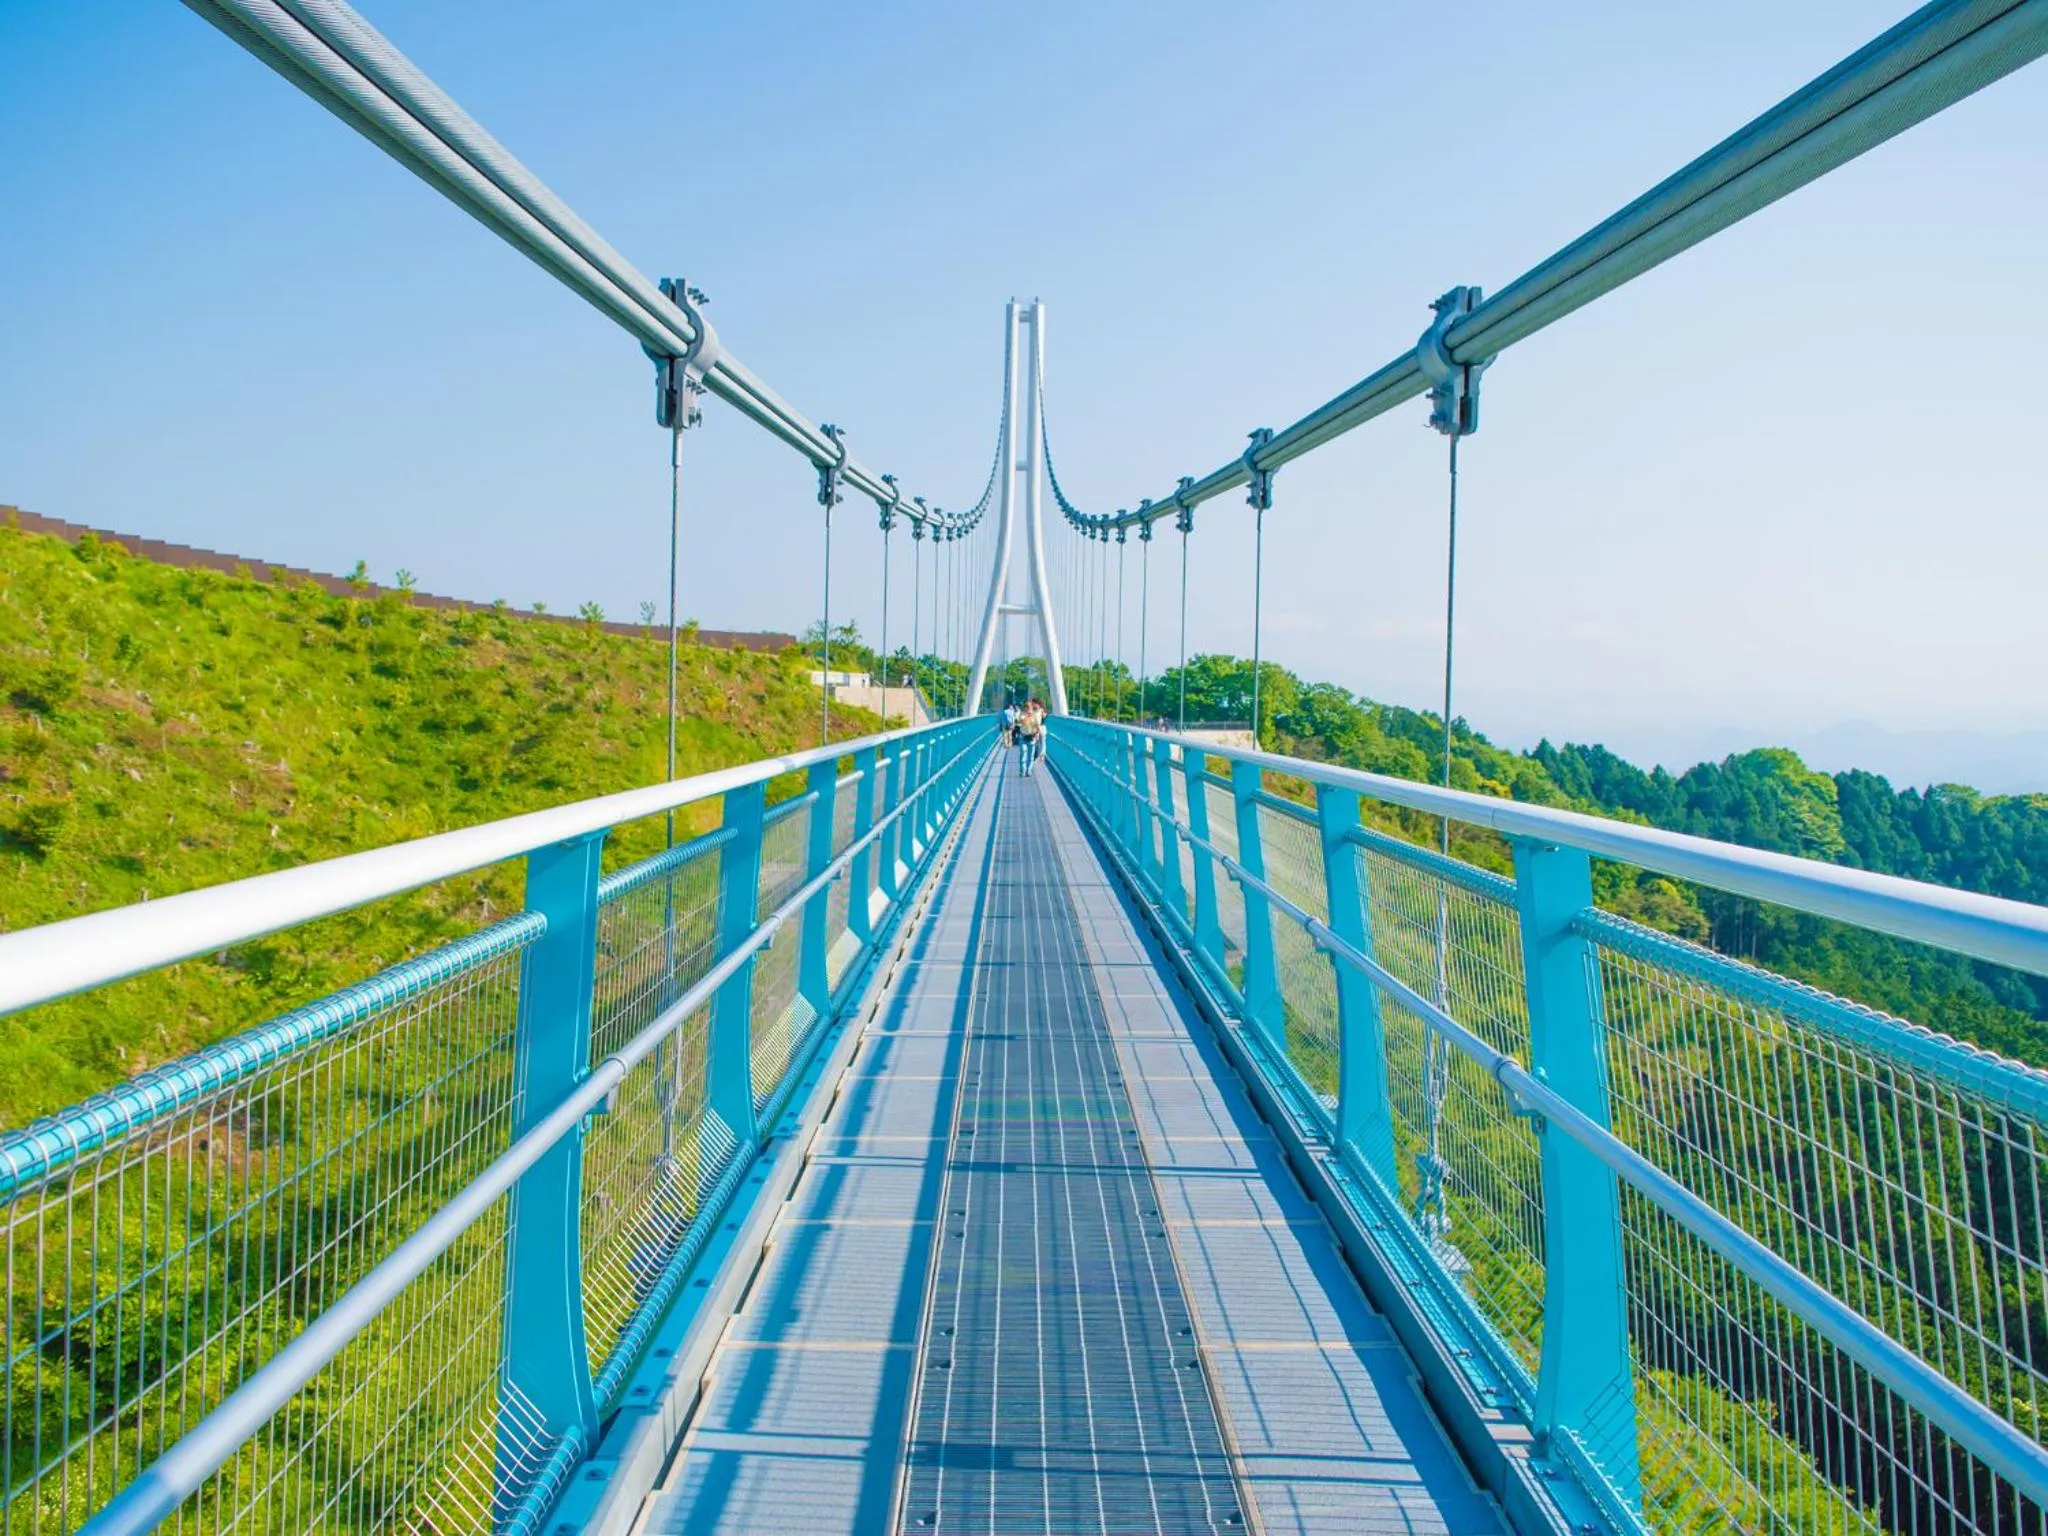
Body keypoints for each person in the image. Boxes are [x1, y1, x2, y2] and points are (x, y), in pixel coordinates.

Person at [1016, 698, 1045, 776]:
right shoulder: (1022, 714)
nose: (1027, 708)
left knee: (1031, 756)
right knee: (1023, 752)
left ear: (1032, 707)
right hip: (1023, 737)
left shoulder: (1035, 715)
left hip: (1032, 737)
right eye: (1026, 707)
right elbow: (1022, 722)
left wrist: (1039, 734)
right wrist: (1028, 715)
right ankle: (1023, 770)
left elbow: (1038, 725)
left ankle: (1029, 770)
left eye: (1029, 707)